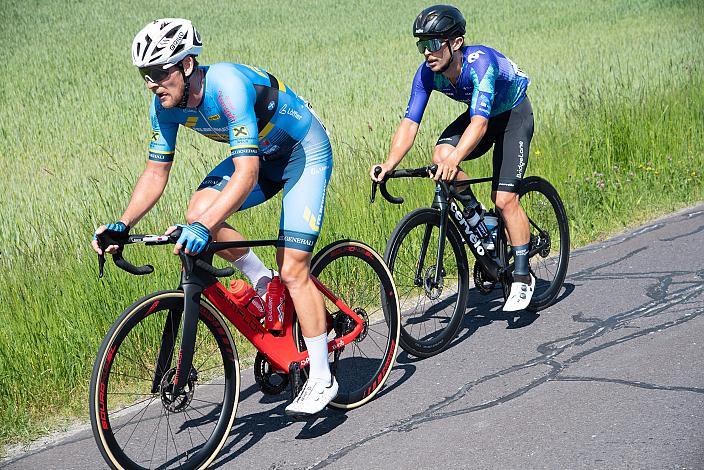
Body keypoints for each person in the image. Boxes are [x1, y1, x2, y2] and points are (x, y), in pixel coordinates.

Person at [91, 18, 336, 415]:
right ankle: (261, 281)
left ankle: (322, 376)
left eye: (159, 72)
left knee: (293, 268)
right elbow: (156, 173)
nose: (152, 83)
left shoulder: (226, 86)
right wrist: (123, 224)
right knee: (197, 210)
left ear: (187, 66)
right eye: (145, 75)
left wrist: (205, 227)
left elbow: (247, 174)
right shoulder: (165, 107)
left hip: (302, 152)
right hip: (261, 156)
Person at [370, 5, 535, 311]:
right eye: (422, 45)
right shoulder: (427, 74)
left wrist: (457, 158)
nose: (427, 53)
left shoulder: (480, 63)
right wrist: (390, 162)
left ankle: (523, 276)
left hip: (513, 114)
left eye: (433, 44)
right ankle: (476, 214)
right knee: (440, 154)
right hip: (480, 117)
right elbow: (410, 123)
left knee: (504, 198)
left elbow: (480, 123)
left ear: (455, 43)